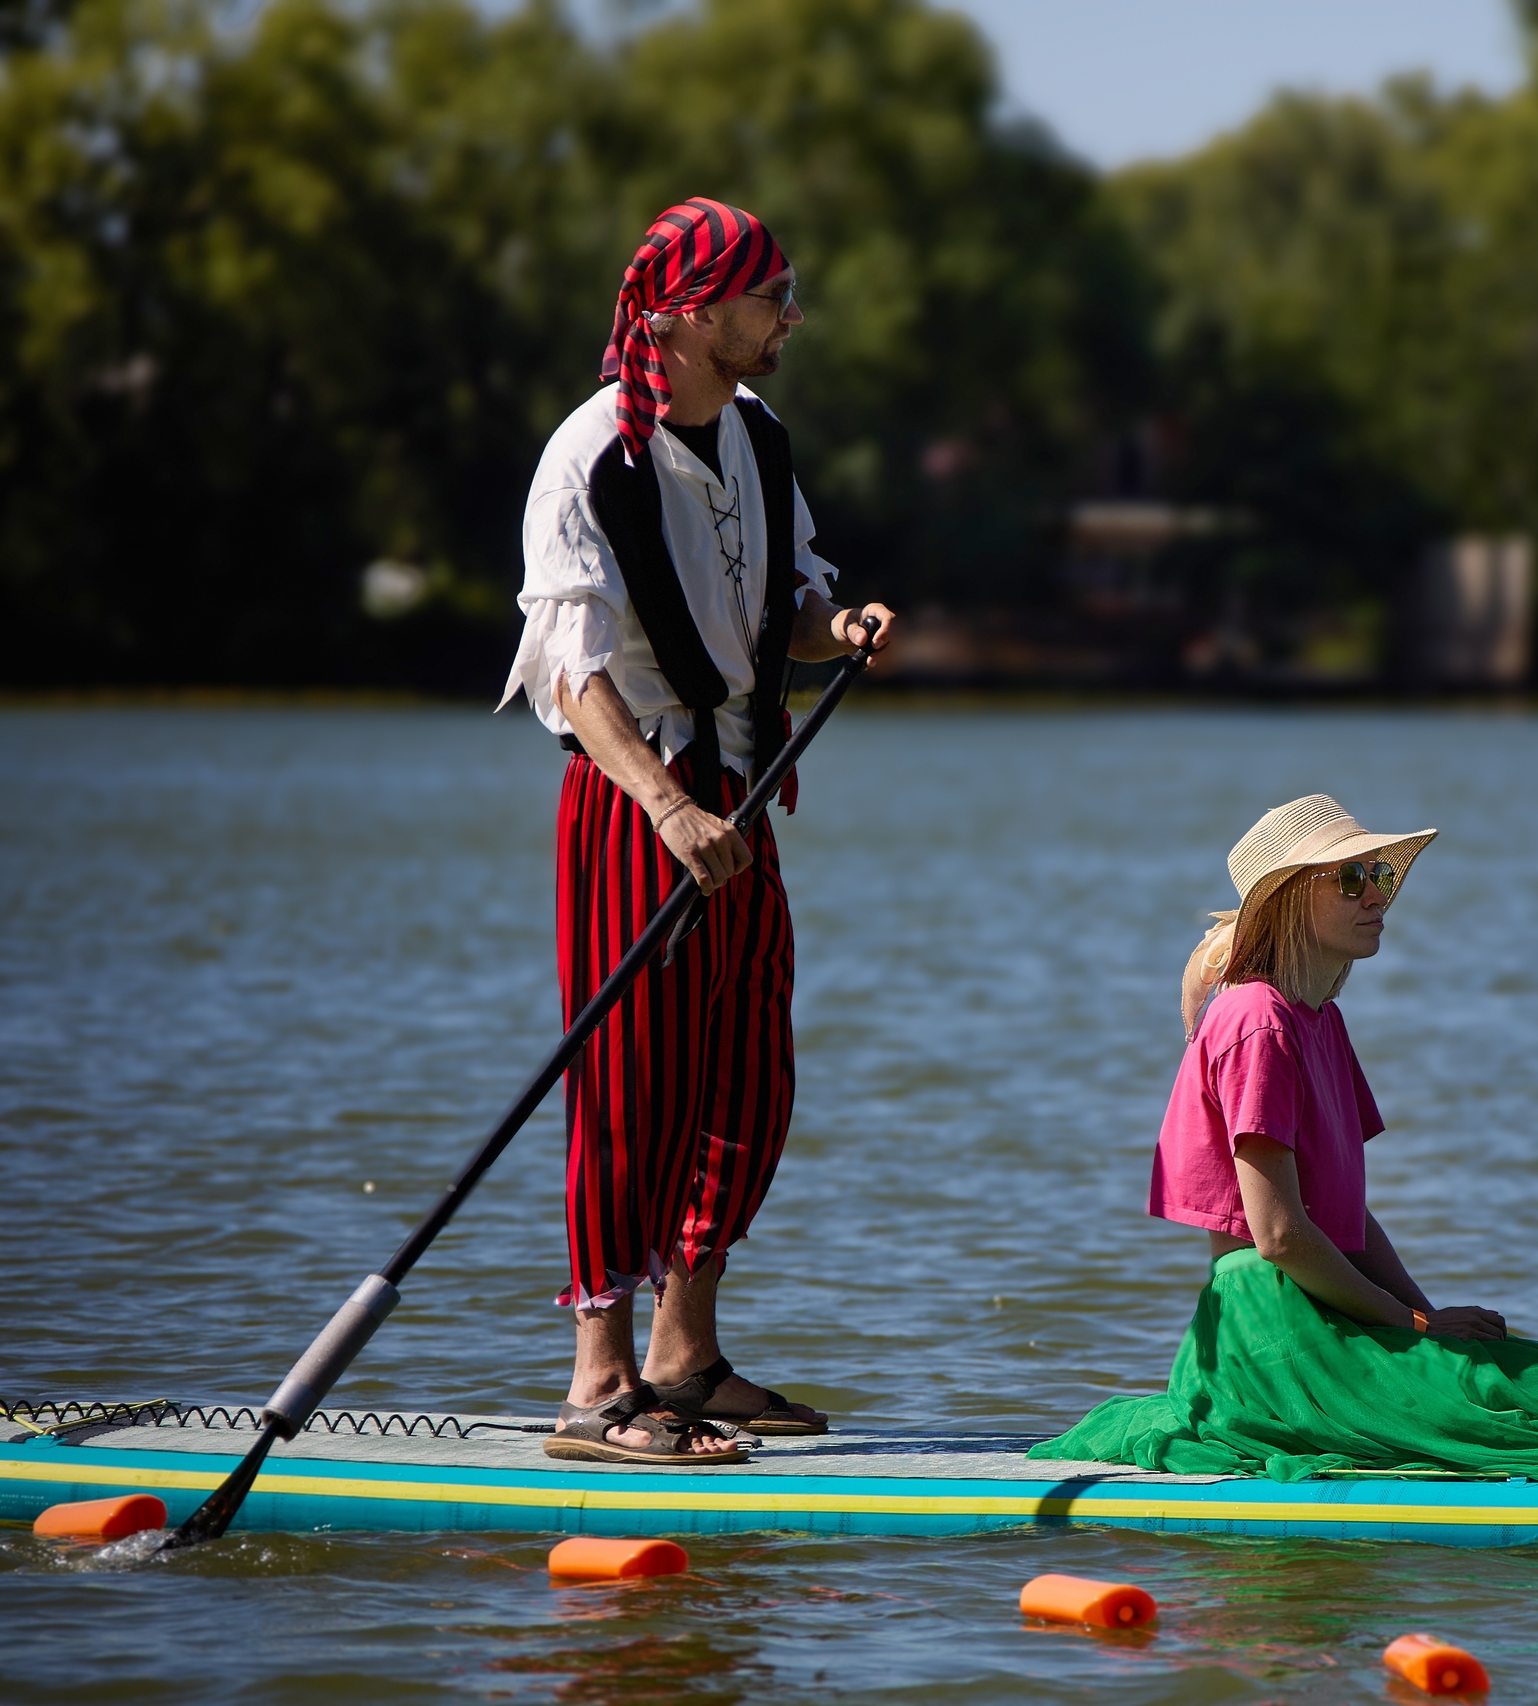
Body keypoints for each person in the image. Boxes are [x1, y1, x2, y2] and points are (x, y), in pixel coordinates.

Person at [1030, 796, 1538, 1484]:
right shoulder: (1257, 1022)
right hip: (1272, 1333)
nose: (1377, 895)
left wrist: (1429, 1326)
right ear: (1291, 900)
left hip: (1323, 1310)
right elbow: (1279, 1235)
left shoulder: (1319, 1021)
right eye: (1351, 879)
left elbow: (1345, 1217)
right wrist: (1412, 1326)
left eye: (1380, 875)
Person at [497, 198, 896, 1464]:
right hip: (638, 799)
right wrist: (666, 805)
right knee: (631, 1085)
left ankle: (685, 1357)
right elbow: (571, 674)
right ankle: (598, 1383)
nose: (791, 315)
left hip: (742, 790)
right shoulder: (586, 458)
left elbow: (786, 602)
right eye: (771, 295)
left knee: (746, 1076)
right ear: (690, 314)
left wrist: (838, 627)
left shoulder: (757, 432)